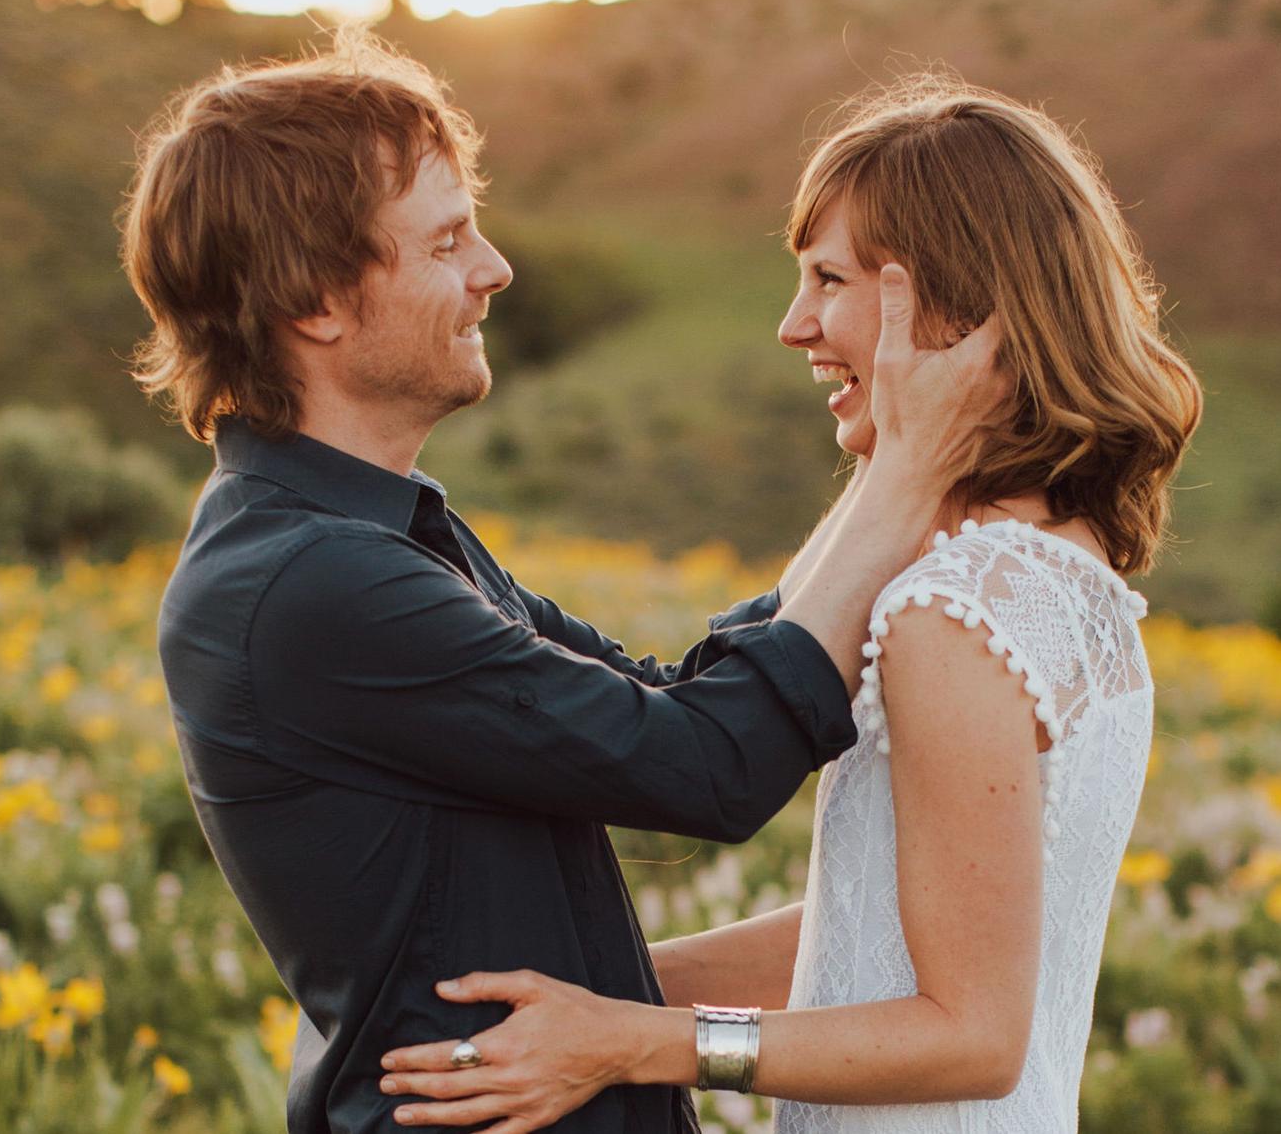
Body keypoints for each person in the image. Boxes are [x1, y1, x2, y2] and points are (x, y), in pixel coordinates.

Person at [121, 33, 1004, 1134]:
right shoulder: (315, 582)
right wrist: (905, 470)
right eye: (447, 240)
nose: (494, 268)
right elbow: (707, 766)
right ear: (316, 300)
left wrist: (897, 469)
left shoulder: (383, 535)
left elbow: (669, 696)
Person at [370, 76, 1203, 1132]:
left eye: (828, 278)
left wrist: (638, 1042)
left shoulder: (951, 611)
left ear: (951, 307)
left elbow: (971, 1035)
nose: (792, 323)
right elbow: (892, 926)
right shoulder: (1054, 567)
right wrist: (592, 992)